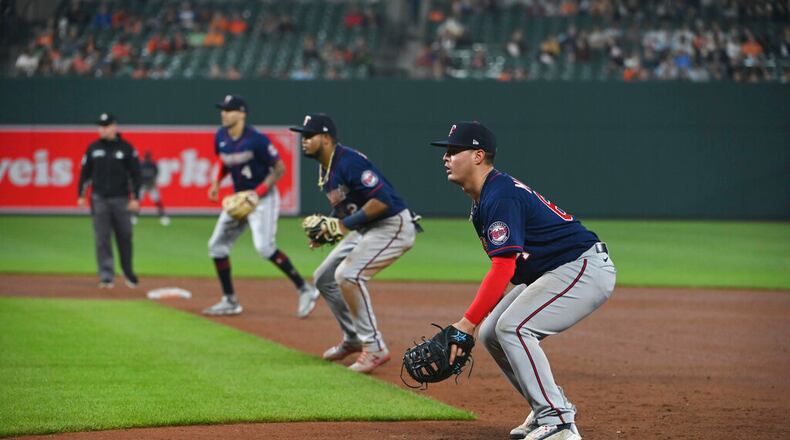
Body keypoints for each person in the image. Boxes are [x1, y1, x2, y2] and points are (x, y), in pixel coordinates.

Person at [429, 121, 616, 440]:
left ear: (477, 156)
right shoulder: (484, 200)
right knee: (492, 333)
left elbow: (502, 268)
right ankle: (549, 406)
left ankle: (558, 422)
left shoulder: (499, 196)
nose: (445, 158)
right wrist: (475, 324)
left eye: (453, 151)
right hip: (557, 270)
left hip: (583, 267)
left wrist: (465, 323)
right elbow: (511, 268)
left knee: (512, 327)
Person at [290, 114, 419, 374]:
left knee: (348, 275)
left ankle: (374, 347)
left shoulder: (348, 161)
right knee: (324, 277)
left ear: (326, 138)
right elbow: (348, 208)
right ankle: (353, 339)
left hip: (392, 225)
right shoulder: (325, 168)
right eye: (302, 136)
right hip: (366, 229)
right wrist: (327, 232)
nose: (303, 141)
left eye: (309, 136)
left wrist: (341, 225)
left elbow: (381, 200)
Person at [204, 95, 318, 318]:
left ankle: (305, 289)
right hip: (239, 199)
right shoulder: (221, 137)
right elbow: (224, 162)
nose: (223, 113)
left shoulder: (256, 140)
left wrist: (257, 194)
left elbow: (279, 168)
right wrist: (216, 183)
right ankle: (230, 300)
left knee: (264, 248)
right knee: (216, 246)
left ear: (242, 114)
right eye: (223, 109)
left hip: (263, 199)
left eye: (229, 110)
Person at [77, 113, 142, 288]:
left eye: (106, 125)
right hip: (99, 199)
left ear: (114, 126)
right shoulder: (93, 148)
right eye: (100, 126)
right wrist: (81, 195)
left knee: (125, 236)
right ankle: (106, 275)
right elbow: (85, 173)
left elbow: (136, 174)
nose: (102, 129)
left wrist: (136, 197)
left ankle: (128, 272)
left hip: (121, 199)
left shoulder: (126, 148)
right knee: (102, 238)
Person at [134, 151, 170, 226]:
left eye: (148, 157)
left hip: (151, 185)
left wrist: (152, 181)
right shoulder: (142, 164)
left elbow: (156, 173)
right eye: (147, 157)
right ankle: (134, 216)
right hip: (143, 185)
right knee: (138, 201)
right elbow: (138, 174)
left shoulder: (153, 164)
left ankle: (163, 216)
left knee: (157, 200)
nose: (147, 158)